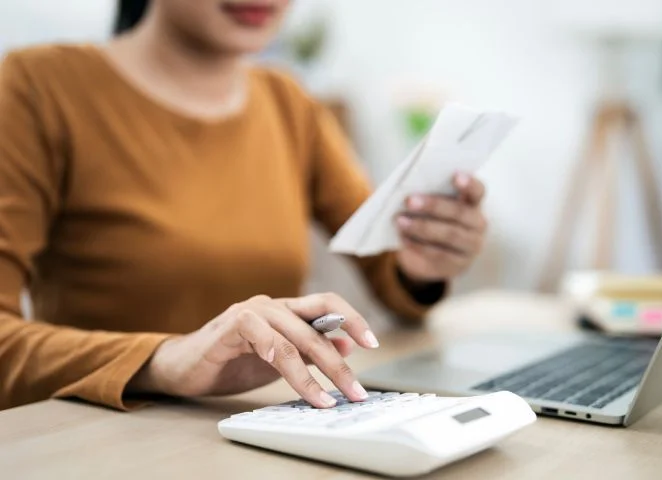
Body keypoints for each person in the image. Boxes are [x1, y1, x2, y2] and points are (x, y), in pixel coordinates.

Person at [0, 0, 488, 412]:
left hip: (274, 427)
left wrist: (421, 262)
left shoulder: (288, 103)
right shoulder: (36, 86)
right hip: (104, 442)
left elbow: (388, 270)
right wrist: (165, 359)